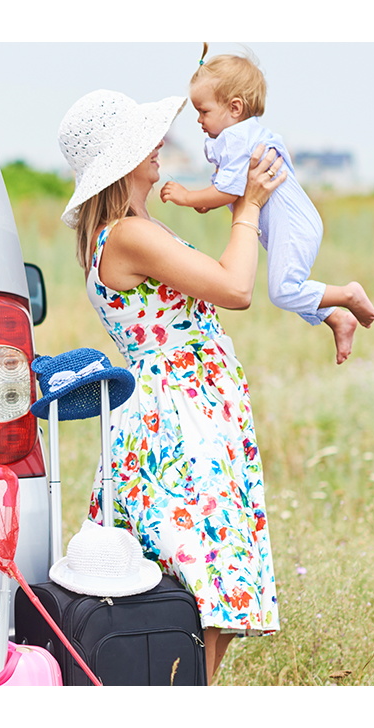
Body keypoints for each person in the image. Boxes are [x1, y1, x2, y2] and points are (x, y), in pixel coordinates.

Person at [58, 89, 283, 685]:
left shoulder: (131, 229)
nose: (158, 145)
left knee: (204, 589)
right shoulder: (127, 234)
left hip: (188, 404)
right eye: (143, 142)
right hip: (181, 413)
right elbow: (235, 288)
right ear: (120, 163)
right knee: (199, 584)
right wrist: (248, 207)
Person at [159, 48, 374, 365]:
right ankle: (336, 319)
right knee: (287, 286)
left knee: (283, 291)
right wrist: (210, 200)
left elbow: (229, 190)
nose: (199, 119)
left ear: (234, 108)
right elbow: (230, 190)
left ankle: (349, 295)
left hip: (294, 224)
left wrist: (188, 196)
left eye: (203, 111)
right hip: (289, 223)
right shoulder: (238, 136)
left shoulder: (237, 138)